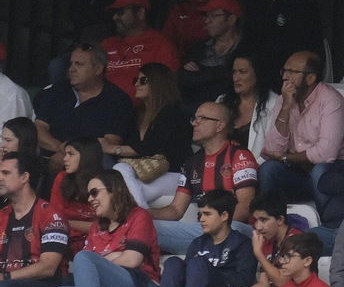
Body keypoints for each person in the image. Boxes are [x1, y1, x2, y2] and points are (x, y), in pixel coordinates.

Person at [43, 169, 162, 287]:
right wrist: (112, 256)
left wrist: (99, 262)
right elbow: (89, 268)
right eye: (88, 195)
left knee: (84, 257)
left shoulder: (139, 216)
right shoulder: (97, 226)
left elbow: (132, 260)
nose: (90, 200)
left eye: (94, 193)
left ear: (113, 190)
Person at [153, 98, 258, 254]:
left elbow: (245, 206)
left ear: (219, 125)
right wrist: (143, 213)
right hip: (203, 231)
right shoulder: (192, 162)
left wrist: (216, 225)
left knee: (232, 227)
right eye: (194, 118)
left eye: (201, 119)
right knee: (144, 225)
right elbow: (175, 209)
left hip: (236, 230)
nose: (195, 123)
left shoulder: (240, 156)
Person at [140, 190, 254, 287]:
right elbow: (187, 277)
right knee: (173, 262)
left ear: (224, 216)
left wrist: (210, 271)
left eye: (207, 214)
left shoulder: (241, 243)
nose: (201, 219)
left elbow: (244, 282)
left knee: (198, 263)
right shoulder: (198, 243)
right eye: (200, 214)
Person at [258, 50, 344, 200]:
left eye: (292, 72)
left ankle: (328, 222)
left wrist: (285, 158)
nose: (285, 77)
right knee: (268, 169)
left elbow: (325, 155)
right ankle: (269, 219)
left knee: (319, 171)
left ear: (310, 78)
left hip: (342, 170)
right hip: (302, 171)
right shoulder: (284, 100)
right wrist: (286, 107)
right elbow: (272, 150)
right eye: (284, 70)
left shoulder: (330, 100)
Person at [0, 153, 71, 287]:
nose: (0, 178)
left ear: (25, 177)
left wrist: (6, 277)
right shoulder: (1, 216)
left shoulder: (51, 215)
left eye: (6, 173)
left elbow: (48, 268)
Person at [104, 63, 189, 209]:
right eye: (135, 80)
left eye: (143, 80)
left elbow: (150, 147)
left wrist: (113, 149)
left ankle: (139, 220)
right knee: (122, 178)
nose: (137, 84)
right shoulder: (137, 114)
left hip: (173, 174)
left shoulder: (173, 113)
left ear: (158, 84)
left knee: (122, 181)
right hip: (143, 174)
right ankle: (141, 219)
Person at [35, 44, 135, 165]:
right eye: (71, 63)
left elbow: (110, 144)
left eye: (79, 64)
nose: (71, 69)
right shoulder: (60, 88)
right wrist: (60, 148)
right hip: (47, 159)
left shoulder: (117, 100)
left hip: (89, 167)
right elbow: (39, 127)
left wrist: (69, 156)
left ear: (98, 69)